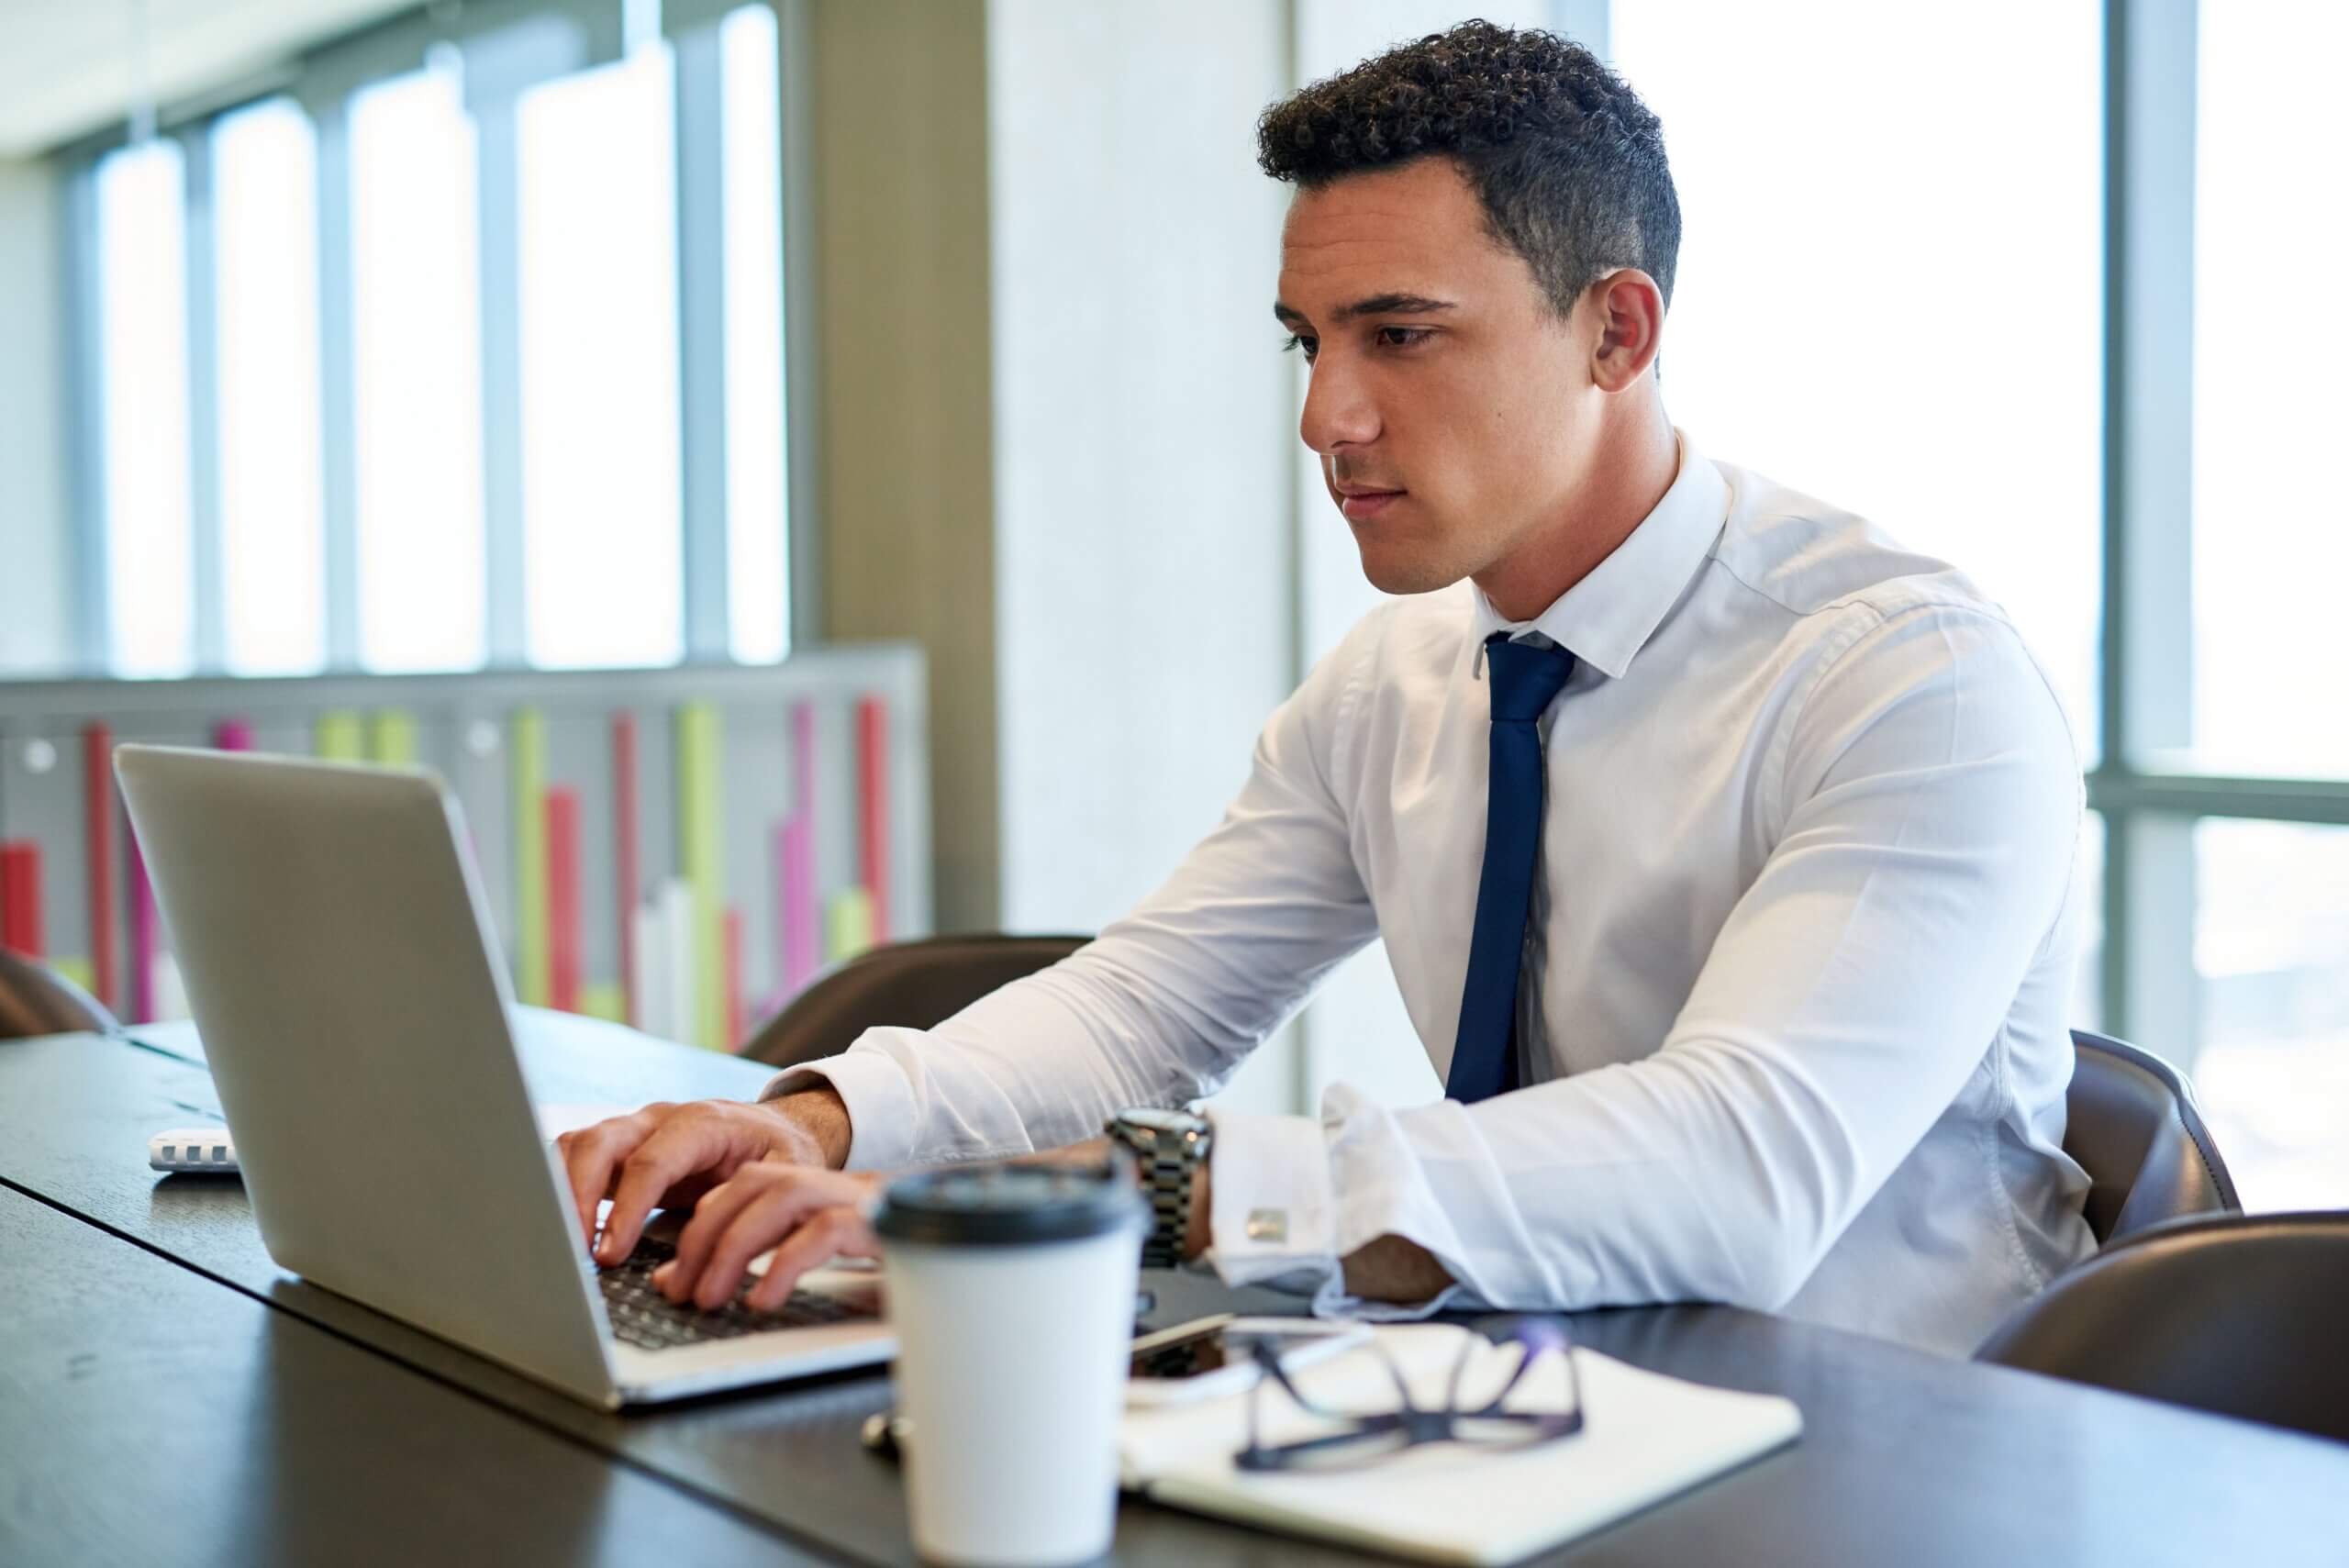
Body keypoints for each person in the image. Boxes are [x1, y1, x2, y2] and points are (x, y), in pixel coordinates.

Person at [559, 20, 2095, 1358]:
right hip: (1523, 1405)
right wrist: (811, 1123)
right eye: (1309, 341)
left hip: (1898, 1442)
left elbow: (1738, 1171)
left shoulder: (1913, 684)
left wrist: (1129, 1192)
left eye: (1399, 336)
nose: (1325, 415)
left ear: (1615, 330)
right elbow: (1142, 1006)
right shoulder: (1400, 679)